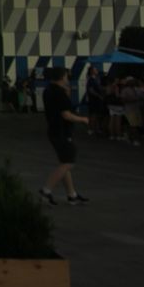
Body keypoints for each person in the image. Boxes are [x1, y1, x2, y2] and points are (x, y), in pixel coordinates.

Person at [40, 67, 91, 206]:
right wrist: (83, 119)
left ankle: (71, 194)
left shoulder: (48, 90)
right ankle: (46, 190)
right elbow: (66, 114)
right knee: (68, 162)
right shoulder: (60, 93)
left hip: (53, 130)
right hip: (63, 132)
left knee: (64, 163)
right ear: (63, 78)